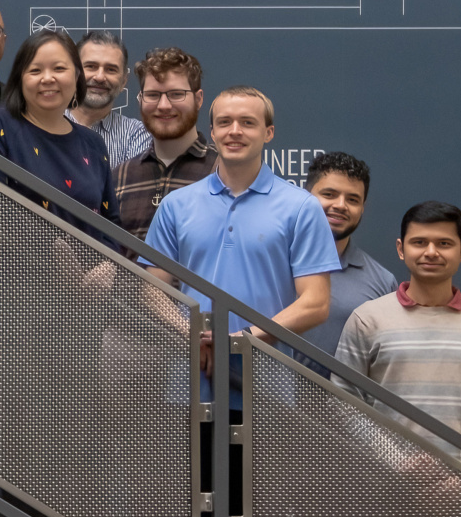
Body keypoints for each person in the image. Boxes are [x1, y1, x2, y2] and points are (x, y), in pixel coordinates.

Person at [143, 87, 338, 340]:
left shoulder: (302, 207)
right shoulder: (175, 205)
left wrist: (241, 340)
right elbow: (152, 289)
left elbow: (316, 304)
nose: (235, 131)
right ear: (213, 132)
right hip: (193, 361)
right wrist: (196, 339)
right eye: (224, 122)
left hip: (267, 363)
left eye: (247, 122)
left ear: (268, 133)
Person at [335, 203, 461, 462]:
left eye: (444, 243)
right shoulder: (367, 319)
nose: (431, 252)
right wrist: (398, 462)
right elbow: (343, 402)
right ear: (401, 249)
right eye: (419, 242)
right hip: (382, 481)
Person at [0, 29, 117, 220]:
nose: (47, 79)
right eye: (35, 70)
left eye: (59, 69)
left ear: (77, 76)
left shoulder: (93, 143)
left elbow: (111, 224)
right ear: (20, 79)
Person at [302, 151, 399, 358]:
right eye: (329, 194)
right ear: (305, 196)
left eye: (353, 199)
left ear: (363, 208)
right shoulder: (269, 262)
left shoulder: (382, 282)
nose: (340, 205)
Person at [110, 45, 214, 238]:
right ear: (140, 99)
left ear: (198, 99)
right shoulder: (119, 178)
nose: (164, 105)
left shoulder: (223, 172)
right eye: (153, 95)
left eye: (176, 94)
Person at [71, 33, 150, 166]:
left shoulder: (136, 134)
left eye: (111, 69)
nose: (100, 77)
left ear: (124, 81)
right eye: (91, 66)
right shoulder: (44, 124)